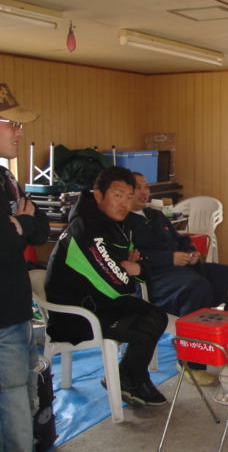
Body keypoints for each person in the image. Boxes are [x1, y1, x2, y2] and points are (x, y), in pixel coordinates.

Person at [45, 166, 168, 407]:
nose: (125, 204)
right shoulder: (86, 230)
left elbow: (139, 268)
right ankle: (132, 379)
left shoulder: (117, 225)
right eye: (118, 195)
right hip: (75, 315)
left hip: (100, 302)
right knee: (142, 329)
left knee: (157, 315)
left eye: (129, 197)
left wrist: (136, 269)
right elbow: (120, 285)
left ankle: (129, 376)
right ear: (98, 195)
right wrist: (132, 271)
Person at [124, 172, 228, 385]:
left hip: (186, 269)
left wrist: (191, 252)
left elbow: (180, 239)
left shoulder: (155, 215)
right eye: (138, 187)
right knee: (196, 288)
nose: (144, 192)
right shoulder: (123, 221)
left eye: (146, 187)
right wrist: (169, 258)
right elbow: (133, 256)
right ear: (126, 191)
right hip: (155, 278)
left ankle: (225, 343)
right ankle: (190, 363)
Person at [0, 84, 49, 452]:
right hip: (4, 316)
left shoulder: (7, 179)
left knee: (21, 394)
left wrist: (23, 225)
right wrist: (20, 227)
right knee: (14, 401)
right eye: (12, 124)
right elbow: (5, 244)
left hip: (14, 310)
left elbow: (41, 228)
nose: (20, 133)